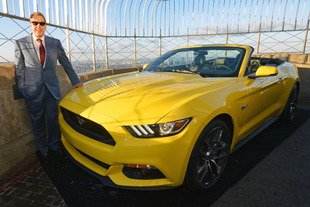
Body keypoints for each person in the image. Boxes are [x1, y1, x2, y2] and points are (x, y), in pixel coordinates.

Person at [14, 12, 83, 160]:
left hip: (51, 90)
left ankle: (54, 146)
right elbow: (19, 69)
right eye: (35, 23)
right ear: (30, 24)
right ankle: (43, 148)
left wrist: (76, 81)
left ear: (45, 26)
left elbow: (65, 63)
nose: (38, 26)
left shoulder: (55, 43)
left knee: (53, 120)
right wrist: (23, 88)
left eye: (42, 23)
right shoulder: (20, 43)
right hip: (32, 91)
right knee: (37, 121)